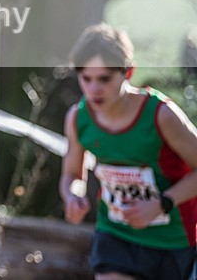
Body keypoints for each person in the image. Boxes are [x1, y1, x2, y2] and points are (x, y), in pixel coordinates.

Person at [60, 23, 197, 280]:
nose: (93, 89)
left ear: (128, 72)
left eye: (104, 79)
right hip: (115, 233)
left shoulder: (161, 115)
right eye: (85, 78)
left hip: (171, 239)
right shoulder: (77, 118)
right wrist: (72, 197)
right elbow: (72, 174)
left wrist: (161, 204)